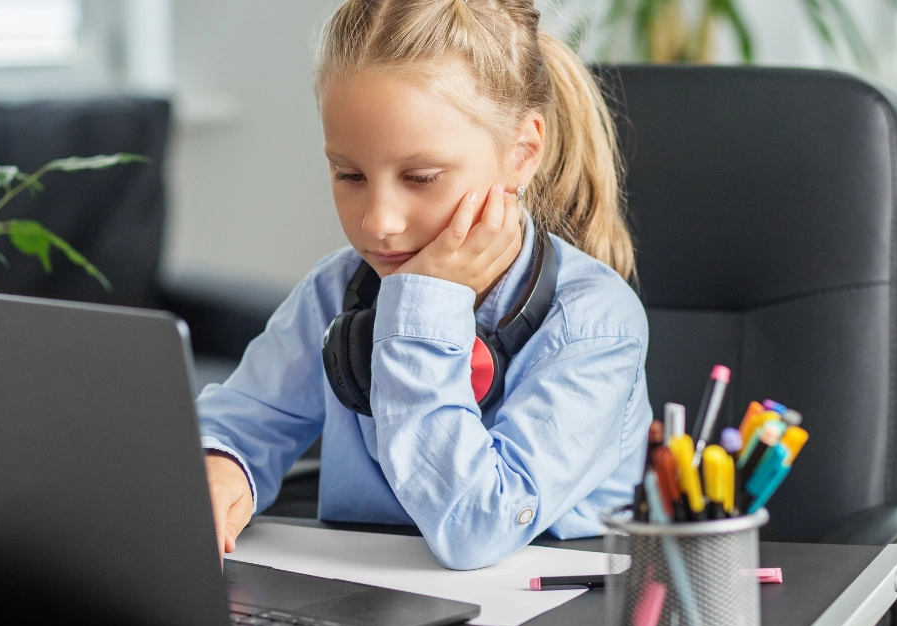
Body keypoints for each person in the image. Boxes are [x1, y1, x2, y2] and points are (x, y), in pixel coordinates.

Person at [199, 0, 651, 571]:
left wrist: (422, 310)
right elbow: (244, 419)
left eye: (420, 178)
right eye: (349, 174)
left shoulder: (595, 326)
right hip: (368, 594)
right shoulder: (336, 289)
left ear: (522, 154)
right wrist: (222, 462)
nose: (378, 222)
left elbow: (477, 527)